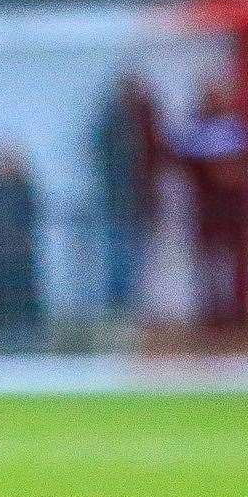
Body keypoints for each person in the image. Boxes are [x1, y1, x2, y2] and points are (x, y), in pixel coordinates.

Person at [174, 81, 248, 329]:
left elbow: (246, 165)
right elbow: (187, 161)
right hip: (207, 210)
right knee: (209, 262)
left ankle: (237, 312)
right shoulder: (196, 130)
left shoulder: (235, 128)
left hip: (232, 210)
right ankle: (211, 312)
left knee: (234, 261)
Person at [94, 74, 163, 316]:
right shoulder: (112, 120)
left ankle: (134, 300)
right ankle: (120, 302)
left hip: (140, 197)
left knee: (138, 252)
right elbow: (103, 157)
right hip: (119, 198)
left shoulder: (146, 117)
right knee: (119, 251)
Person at [0, 146, 43, 349]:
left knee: (24, 294)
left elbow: (31, 218)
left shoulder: (25, 189)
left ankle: (28, 336)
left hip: (20, 252)